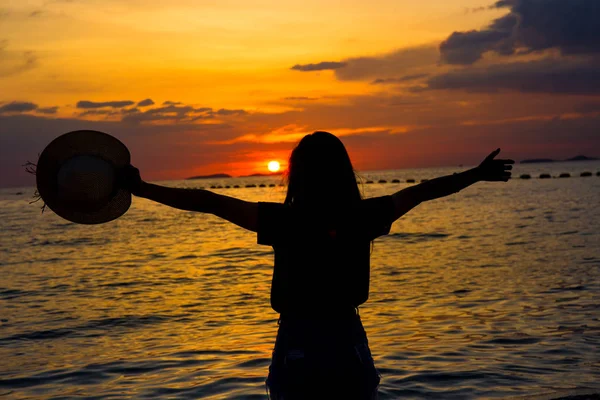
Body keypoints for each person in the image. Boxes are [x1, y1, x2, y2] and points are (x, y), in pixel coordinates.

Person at [122, 131, 513, 399]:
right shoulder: (365, 216)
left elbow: (209, 201)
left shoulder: (284, 221)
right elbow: (423, 192)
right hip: (348, 344)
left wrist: (142, 190)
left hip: (299, 345)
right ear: (344, 171)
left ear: (298, 174)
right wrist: (475, 175)